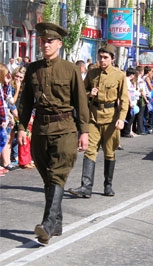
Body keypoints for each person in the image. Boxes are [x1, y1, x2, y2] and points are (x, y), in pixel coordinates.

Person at [17, 22, 89, 244]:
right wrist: (21, 127)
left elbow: (81, 102)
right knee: (48, 176)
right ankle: (56, 223)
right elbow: (25, 102)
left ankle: (47, 225)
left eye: (50, 41)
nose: (46, 44)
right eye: (43, 41)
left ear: (59, 43)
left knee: (57, 174)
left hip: (65, 128)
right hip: (40, 129)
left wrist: (84, 131)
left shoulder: (70, 69)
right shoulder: (33, 69)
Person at [68, 43, 129, 199]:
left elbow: (124, 99)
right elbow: (81, 93)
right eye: (100, 57)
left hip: (111, 118)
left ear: (112, 59)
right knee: (90, 150)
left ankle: (108, 185)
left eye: (105, 58)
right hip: (93, 116)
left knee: (109, 152)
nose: (102, 60)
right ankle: (86, 187)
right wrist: (90, 93)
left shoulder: (119, 75)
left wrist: (121, 119)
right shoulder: (92, 73)